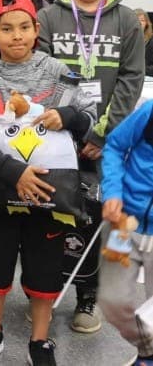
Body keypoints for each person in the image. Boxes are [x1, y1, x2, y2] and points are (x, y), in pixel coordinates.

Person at [0, 0, 95, 366]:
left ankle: (40, 338)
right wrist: (14, 172)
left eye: (24, 27)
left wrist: (66, 116)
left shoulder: (56, 71)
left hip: (49, 195)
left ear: (36, 28)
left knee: (44, 266)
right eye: (6, 28)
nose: (16, 35)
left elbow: (88, 117)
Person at [37, 0, 145, 333]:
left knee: (93, 216)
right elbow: (42, 72)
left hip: (104, 141)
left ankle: (86, 298)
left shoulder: (126, 20)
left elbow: (132, 80)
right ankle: (43, 293)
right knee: (54, 211)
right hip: (58, 132)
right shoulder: (49, 17)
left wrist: (101, 132)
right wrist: (68, 121)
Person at [99, 100, 153, 366]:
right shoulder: (150, 110)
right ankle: (148, 350)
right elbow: (115, 146)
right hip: (123, 221)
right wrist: (112, 192)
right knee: (112, 302)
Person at [134, 8, 153, 77]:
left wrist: (141, 69)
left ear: (147, 23)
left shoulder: (151, 41)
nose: (139, 23)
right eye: (136, 20)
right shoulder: (125, 40)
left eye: (142, 20)